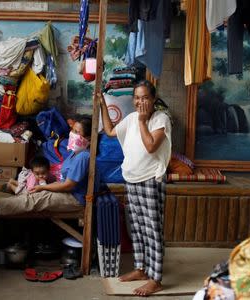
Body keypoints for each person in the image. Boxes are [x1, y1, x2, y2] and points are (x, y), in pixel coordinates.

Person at [99, 80, 172, 296]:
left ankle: (155, 278)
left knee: (153, 230)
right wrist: (103, 105)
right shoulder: (130, 118)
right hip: (131, 179)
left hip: (151, 179)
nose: (140, 102)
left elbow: (150, 146)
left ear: (153, 98)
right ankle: (141, 269)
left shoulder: (161, 119)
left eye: (145, 97)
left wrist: (141, 121)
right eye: (137, 98)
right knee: (137, 228)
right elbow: (111, 131)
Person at [0, 116, 97, 217]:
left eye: (77, 132)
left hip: (75, 199)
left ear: (89, 139)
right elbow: (62, 182)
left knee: (37, 199)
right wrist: (42, 187)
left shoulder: (83, 157)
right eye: (72, 130)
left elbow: (68, 185)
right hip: (66, 193)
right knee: (32, 193)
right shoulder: (74, 154)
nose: (72, 134)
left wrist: (43, 188)